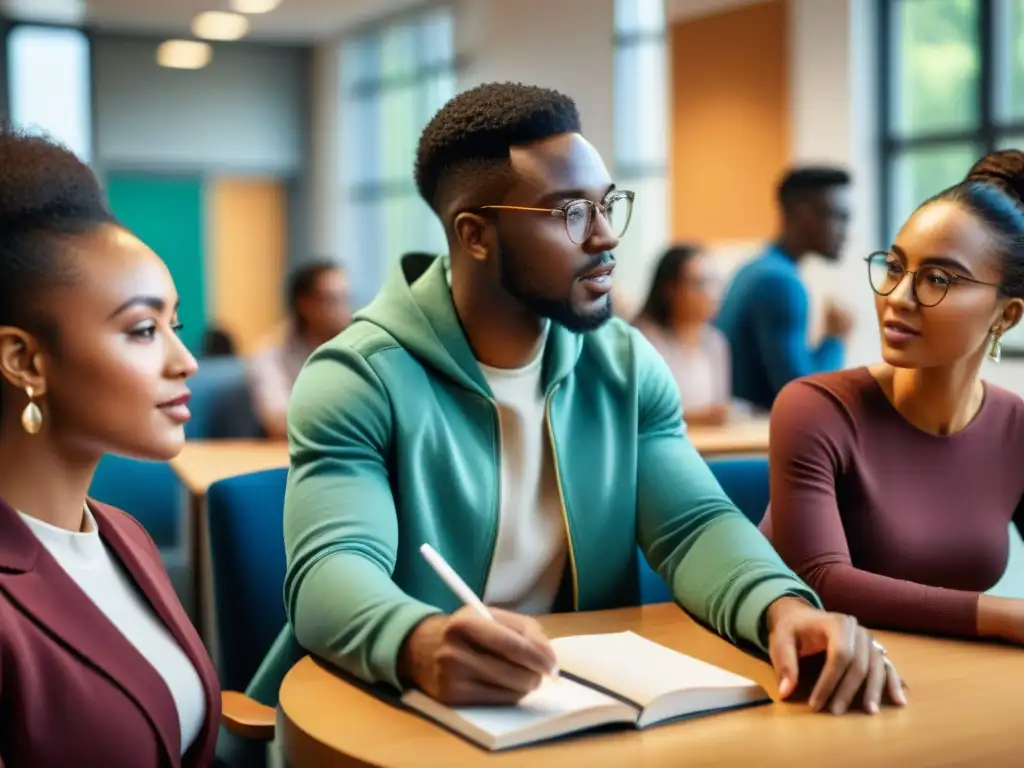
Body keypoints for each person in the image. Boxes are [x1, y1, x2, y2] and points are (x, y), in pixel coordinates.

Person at [255, 82, 905, 718]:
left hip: (573, 701)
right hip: (389, 705)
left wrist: (781, 607)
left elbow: (691, 525)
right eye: (571, 213)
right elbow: (329, 573)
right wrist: (417, 640)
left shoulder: (621, 361)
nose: (605, 237)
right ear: (475, 234)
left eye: (607, 205)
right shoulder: (357, 376)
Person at [0, 130, 220, 766]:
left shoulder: (126, 538)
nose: (186, 363)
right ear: (24, 360)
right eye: (144, 330)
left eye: (174, 326)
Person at [761, 149, 1024, 645]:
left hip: (939, 676)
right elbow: (822, 581)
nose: (897, 297)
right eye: (896, 267)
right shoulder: (815, 408)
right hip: (806, 677)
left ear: (1005, 316)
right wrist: (1005, 616)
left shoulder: (1016, 427)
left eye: (938, 279)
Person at [716, 167, 855, 410]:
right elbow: (805, 399)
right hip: (757, 440)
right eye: (838, 217)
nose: (845, 233)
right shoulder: (780, 283)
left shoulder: (754, 268)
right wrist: (835, 339)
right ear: (802, 213)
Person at [246, 259, 350, 438]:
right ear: (305, 305)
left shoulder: (360, 343)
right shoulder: (269, 354)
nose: (345, 310)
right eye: (333, 300)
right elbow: (279, 423)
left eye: (345, 299)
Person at [634, 244, 733, 426]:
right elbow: (638, 416)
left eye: (715, 282)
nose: (711, 293)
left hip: (711, 447)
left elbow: (720, 410)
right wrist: (699, 418)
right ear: (670, 290)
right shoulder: (642, 342)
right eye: (700, 283)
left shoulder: (715, 342)